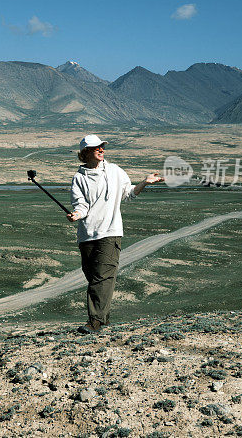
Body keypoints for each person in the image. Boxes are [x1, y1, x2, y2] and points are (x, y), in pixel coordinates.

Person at [67, 134, 163, 334]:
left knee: (102, 277)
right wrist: (77, 214)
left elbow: (128, 193)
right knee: (94, 278)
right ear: (85, 153)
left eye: (102, 147)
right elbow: (81, 205)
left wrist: (144, 183)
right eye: (96, 148)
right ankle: (103, 320)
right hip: (87, 236)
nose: (101, 150)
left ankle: (94, 322)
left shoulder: (115, 171)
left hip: (110, 232)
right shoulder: (79, 178)